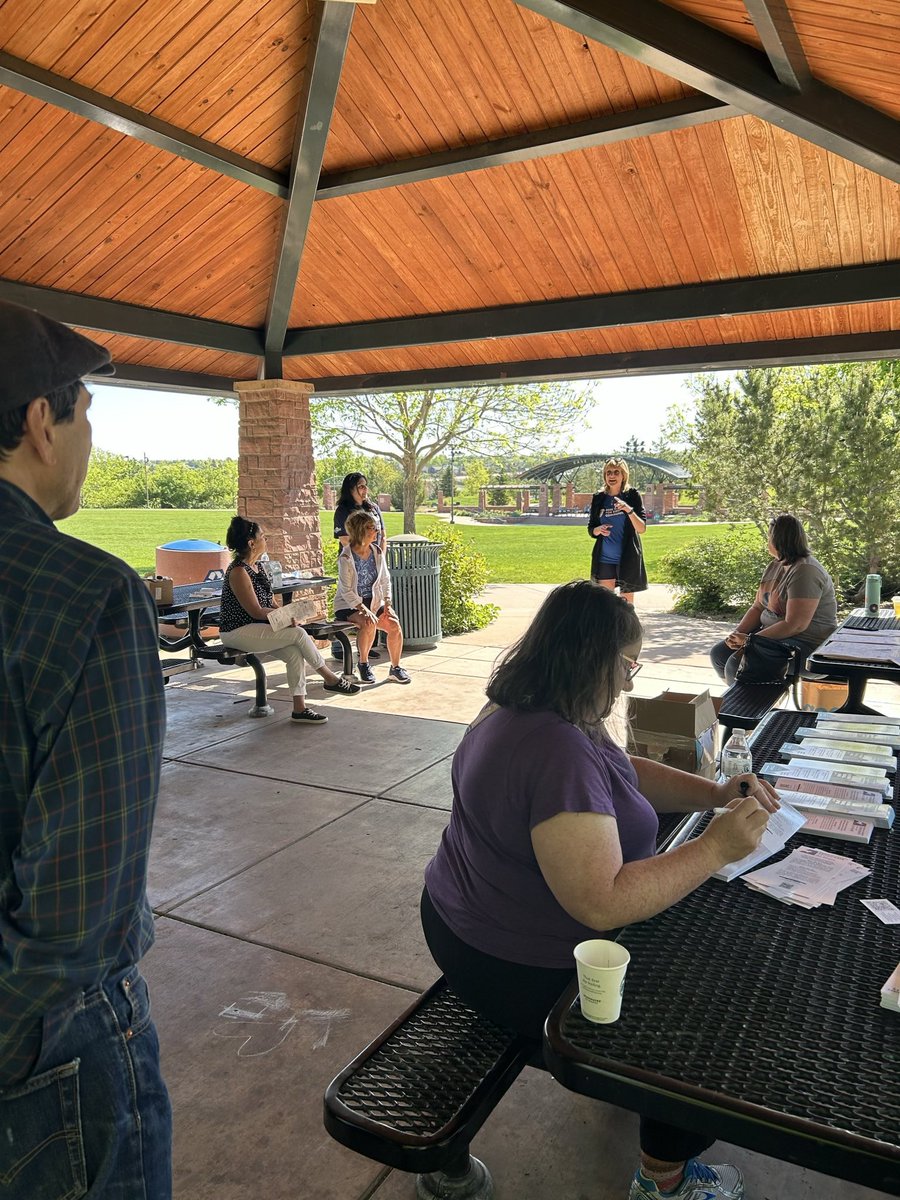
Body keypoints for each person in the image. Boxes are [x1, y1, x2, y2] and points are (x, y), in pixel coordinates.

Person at [422, 582, 779, 1200]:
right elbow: (602, 901)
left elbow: (622, 769)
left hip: (461, 919)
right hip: (510, 960)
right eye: (629, 664)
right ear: (596, 659)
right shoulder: (555, 748)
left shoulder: (537, 706)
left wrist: (715, 795)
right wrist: (715, 847)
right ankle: (663, 1179)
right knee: (708, 1006)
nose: (630, 681)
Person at [0, 300, 172, 1197]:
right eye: (87, 416)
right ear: (39, 419)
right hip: (49, 1054)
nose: (88, 442)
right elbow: (80, 912)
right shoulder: (85, 595)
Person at [219, 515, 360, 723]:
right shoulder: (239, 571)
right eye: (262, 537)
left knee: (294, 652)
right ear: (251, 543)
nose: (265, 540)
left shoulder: (258, 567)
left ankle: (299, 709)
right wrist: (285, 620)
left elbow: (270, 602)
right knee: (298, 634)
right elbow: (255, 611)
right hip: (236, 631)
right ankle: (330, 678)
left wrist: (289, 615)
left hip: (256, 628)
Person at [710, 514, 838, 686]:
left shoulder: (805, 571)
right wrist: (736, 636)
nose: (767, 540)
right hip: (775, 640)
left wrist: (750, 641)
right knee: (720, 653)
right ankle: (747, 699)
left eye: (769, 536)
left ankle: (747, 705)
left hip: (805, 646)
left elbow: (795, 625)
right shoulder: (776, 565)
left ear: (778, 540)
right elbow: (757, 607)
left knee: (739, 664)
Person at [334, 509, 411, 684]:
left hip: (374, 600)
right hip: (349, 604)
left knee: (394, 624)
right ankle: (363, 663)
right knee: (368, 622)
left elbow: (385, 579)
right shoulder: (346, 557)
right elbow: (346, 591)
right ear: (361, 530)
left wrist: (388, 603)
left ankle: (395, 668)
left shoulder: (376, 551)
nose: (376, 531)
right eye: (371, 528)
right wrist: (364, 609)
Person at [332, 471, 386, 659]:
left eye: (365, 485)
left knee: (372, 599)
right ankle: (339, 647)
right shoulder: (343, 511)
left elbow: (383, 535)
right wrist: (361, 554)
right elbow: (345, 539)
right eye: (360, 486)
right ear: (351, 489)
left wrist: (378, 556)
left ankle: (368, 646)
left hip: (374, 561)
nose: (365, 490)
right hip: (353, 564)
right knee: (352, 600)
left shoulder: (373, 508)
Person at [587, 458, 648, 602]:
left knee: (626, 606)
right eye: (608, 472)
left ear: (623, 475)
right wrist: (598, 530)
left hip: (627, 558)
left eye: (616, 472)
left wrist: (628, 510)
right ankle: (606, 626)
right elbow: (591, 528)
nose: (612, 476)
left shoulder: (632, 495)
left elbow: (641, 528)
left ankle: (626, 626)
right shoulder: (599, 498)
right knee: (605, 604)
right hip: (604, 559)